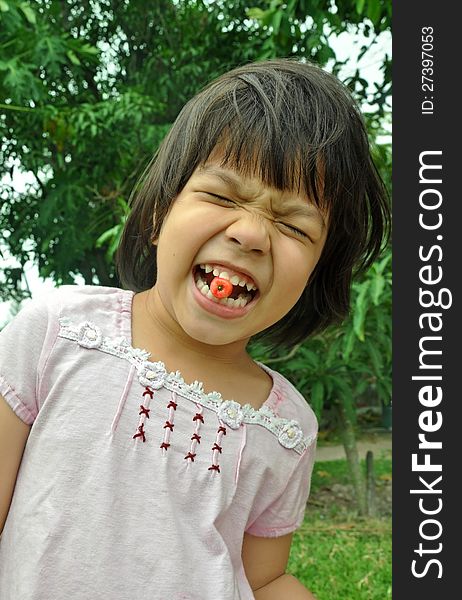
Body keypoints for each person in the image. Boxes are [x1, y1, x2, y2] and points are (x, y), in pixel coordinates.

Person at [0, 59, 390, 599]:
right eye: (223, 196)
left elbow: (265, 577)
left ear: (316, 274)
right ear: (162, 210)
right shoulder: (59, 333)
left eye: (292, 224)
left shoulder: (285, 428)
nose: (251, 233)